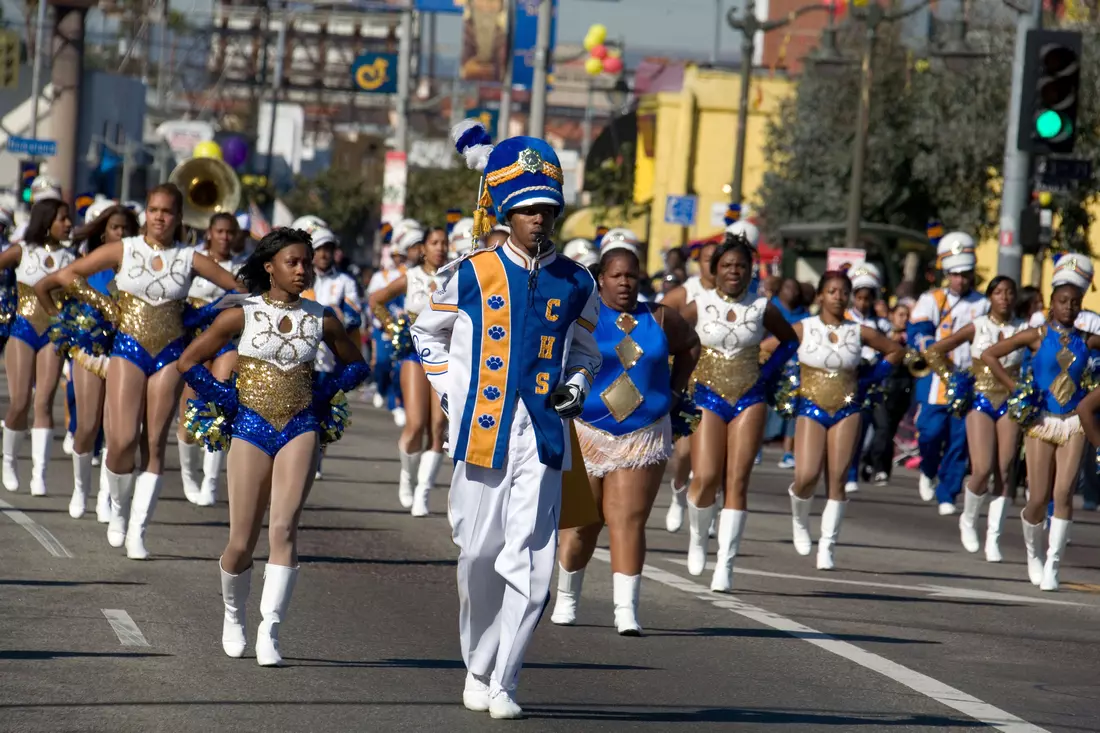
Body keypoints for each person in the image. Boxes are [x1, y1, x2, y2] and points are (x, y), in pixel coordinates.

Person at [413, 124, 602, 719]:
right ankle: (477, 662)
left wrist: (575, 383)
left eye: (546, 209)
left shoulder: (577, 281)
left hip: (543, 435)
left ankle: (506, 679)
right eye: (526, 210)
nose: (538, 220)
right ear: (504, 212)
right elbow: (424, 334)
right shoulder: (470, 273)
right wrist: (451, 394)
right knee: (476, 553)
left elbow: (588, 351)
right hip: (482, 430)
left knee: (530, 560)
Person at [178, 227, 368, 665]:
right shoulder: (240, 315)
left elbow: (356, 365)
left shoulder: (322, 317)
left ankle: (271, 630)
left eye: (306, 261)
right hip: (249, 428)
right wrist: (227, 398)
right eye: (293, 262)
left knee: (283, 529)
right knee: (241, 541)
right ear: (270, 267)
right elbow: (188, 362)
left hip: (300, 427)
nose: (303, 270)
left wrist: (323, 394)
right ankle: (232, 613)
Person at [35, 184, 241, 559]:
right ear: (146, 212)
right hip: (127, 349)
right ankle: (116, 508)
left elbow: (238, 290)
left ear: (179, 217)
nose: (159, 216)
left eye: (167, 211)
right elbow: (68, 276)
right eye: (153, 208)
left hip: (170, 354)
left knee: (154, 445)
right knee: (122, 440)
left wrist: (206, 314)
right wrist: (105, 306)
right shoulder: (125, 249)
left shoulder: (188, 257)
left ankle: (137, 531)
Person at [551, 240, 699, 634]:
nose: (625, 283)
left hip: (643, 432)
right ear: (600, 279)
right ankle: (567, 596)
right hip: (586, 429)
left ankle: (625, 610)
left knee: (627, 520)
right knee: (582, 523)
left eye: (632, 276)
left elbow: (690, 347)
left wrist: (676, 392)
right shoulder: (581, 316)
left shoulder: (662, 318)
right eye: (616, 275)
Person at [681, 236, 798, 591]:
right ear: (714, 270)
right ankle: (699, 538)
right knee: (704, 477)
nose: (734, 271)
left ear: (751, 271)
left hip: (750, 398)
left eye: (741, 266)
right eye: (727, 265)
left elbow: (790, 340)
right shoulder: (698, 305)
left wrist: (768, 372)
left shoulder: (763, 307)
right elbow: (669, 336)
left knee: (737, 481)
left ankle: (726, 564)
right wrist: (679, 373)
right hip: (706, 396)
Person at [982, 257, 1098, 591]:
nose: (1069, 307)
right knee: (1038, 497)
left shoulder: (1087, 340)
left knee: (1063, 494)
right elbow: (990, 354)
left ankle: (1053, 564)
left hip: (1074, 423)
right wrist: (1016, 388)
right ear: (1052, 304)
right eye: (1063, 302)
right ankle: (1033, 553)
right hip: (1040, 421)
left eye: (1075, 303)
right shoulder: (1036, 335)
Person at [777, 271, 901, 570]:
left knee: (838, 479)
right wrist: (775, 380)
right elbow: (768, 349)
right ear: (820, 295)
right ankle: (799, 518)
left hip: (848, 409)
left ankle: (828, 546)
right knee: (806, 475)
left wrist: (870, 378)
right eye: (832, 291)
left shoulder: (858, 331)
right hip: (811, 408)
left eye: (843, 291)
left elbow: (896, 351)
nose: (838, 296)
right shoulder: (803, 328)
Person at [49, 203, 140, 519]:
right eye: (116, 228)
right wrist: (96, 304)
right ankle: (80, 488)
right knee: (86, 425)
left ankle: (106, 496)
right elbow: (63, 281)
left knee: (115, 431)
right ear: (104, 231)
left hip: (124, 354)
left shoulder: (138, 266)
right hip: (89, 350)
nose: (121, 234)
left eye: (127, 229)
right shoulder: (91, 262)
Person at [927, 276, 1026, 562]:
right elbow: (934, 351)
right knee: (982, 468)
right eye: (998, 292)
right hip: (980, 400)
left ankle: (993, 537)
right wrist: (953, 380)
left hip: (1009, 401)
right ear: (990, 297)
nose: (1004, 297)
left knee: (1006, 469)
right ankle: (968, 520)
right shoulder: (977, 326)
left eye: (1009, 292)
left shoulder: (1024, 329)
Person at [368, 225, 450, 515]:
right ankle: (407, 477)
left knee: (438, 427)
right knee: (415, 424)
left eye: (444, 243)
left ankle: (423, 494)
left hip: (446, 356)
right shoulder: (411, 277)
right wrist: (394, 328)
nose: (440, 248)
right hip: (414, 354)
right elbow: (376, 300)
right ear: (423, 248)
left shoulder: (456, 278)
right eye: (434, 242)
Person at [907, 232, 989, 515]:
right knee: (929, 433)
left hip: (968, 379)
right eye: (955, 274)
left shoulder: (983, 303)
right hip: (936, 379)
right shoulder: (932, 299)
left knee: (958, 440)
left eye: (965, 274)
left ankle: (948, 493)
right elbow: (917, 329)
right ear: (946, 273)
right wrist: (925, 342)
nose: (960, 280)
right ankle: (928, 469)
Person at [0, 199, 75, 495]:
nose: (68, 224)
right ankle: (8, 462)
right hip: (23, 329)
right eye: (63, 219)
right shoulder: (23, 251)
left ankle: (38, 474)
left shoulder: (71, 256)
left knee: (44, 401)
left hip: (54, 332)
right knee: (19, 402)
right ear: (46, 221)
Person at [175, 213, 245, 506]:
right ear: (210, 232)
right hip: (194, 342)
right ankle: (189, 474)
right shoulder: (194, 260)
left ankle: (211, 482)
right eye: (220, 231)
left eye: (230, 232)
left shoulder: (241, 268)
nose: (225, 237)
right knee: (190, 413)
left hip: (227, 343)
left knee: (221, 404)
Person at [657, 236, 719, 534]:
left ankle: (707, 506)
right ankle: (679, 492)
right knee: (682, 453)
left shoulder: (742, 297)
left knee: (716, 456)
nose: (715, 265)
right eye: (709, 259)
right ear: (700, 262)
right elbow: (653, 321)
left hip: (722, 387)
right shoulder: (685, 293)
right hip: (688, 381)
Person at [301, 226, 363, 478]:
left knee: (322, 412)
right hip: (301, 356)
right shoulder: (299, 276)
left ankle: (316, 458)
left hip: (329, 359)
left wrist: (339, 319)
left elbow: (355, 316)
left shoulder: (344, 282)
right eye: (319, 249)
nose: (324, 254)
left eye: (328, 249)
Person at [844, 263, 892, 491]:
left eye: (867, 298)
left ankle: (868, 464)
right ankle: (850, 472)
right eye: (859, 298)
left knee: (879, 427)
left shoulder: (881, 324)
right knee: (854, 428)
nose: (863, 303)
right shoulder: (844, 319)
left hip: (874, 381)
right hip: (851, 379)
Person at [864, 303, 913, 484]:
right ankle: (879, 467)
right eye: (901, 314)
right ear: (891, 316)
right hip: (883, 387)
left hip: (902, 389)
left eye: (907, 315)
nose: (904, 319)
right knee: (882, 428)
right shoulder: (883, 334)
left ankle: (874, 462)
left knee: (889, 431)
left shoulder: (912, 338)